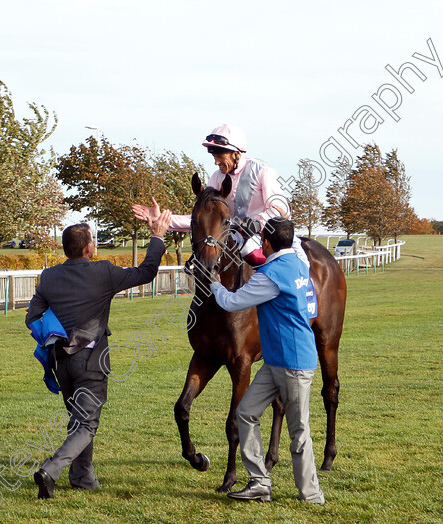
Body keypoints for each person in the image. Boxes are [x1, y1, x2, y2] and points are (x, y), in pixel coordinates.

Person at [26, 210, 173, 499]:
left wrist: (58, 333)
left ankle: (82, 478)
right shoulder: (103, 271)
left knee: (78, 421)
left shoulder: (49, 276)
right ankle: (51, 470)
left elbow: (32, 317)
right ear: (88, 248)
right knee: (87, 424)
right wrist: (157, 237)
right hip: (91, 362)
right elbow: (147, 272)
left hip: (62, 362)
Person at [210, 217, 325, 505]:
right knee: (246, 412)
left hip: (293, 363)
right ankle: (260, 483)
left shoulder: (269, 276)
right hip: (276, 361)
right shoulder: (298, 261)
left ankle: (311, 495)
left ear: (268, 242)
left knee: (299, 431)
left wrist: (214, 284)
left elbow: (231, 302)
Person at [131, 124, 309, 267]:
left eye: (220, 156)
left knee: (252, 252)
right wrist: (162, 219)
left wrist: (256, 223)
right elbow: (204, 217)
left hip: (270, 236)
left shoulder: (262, 171)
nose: (216, 162)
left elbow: (281, 209)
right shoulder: (217, 177)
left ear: (236, 154)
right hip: (236, 236)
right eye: (213, 156)